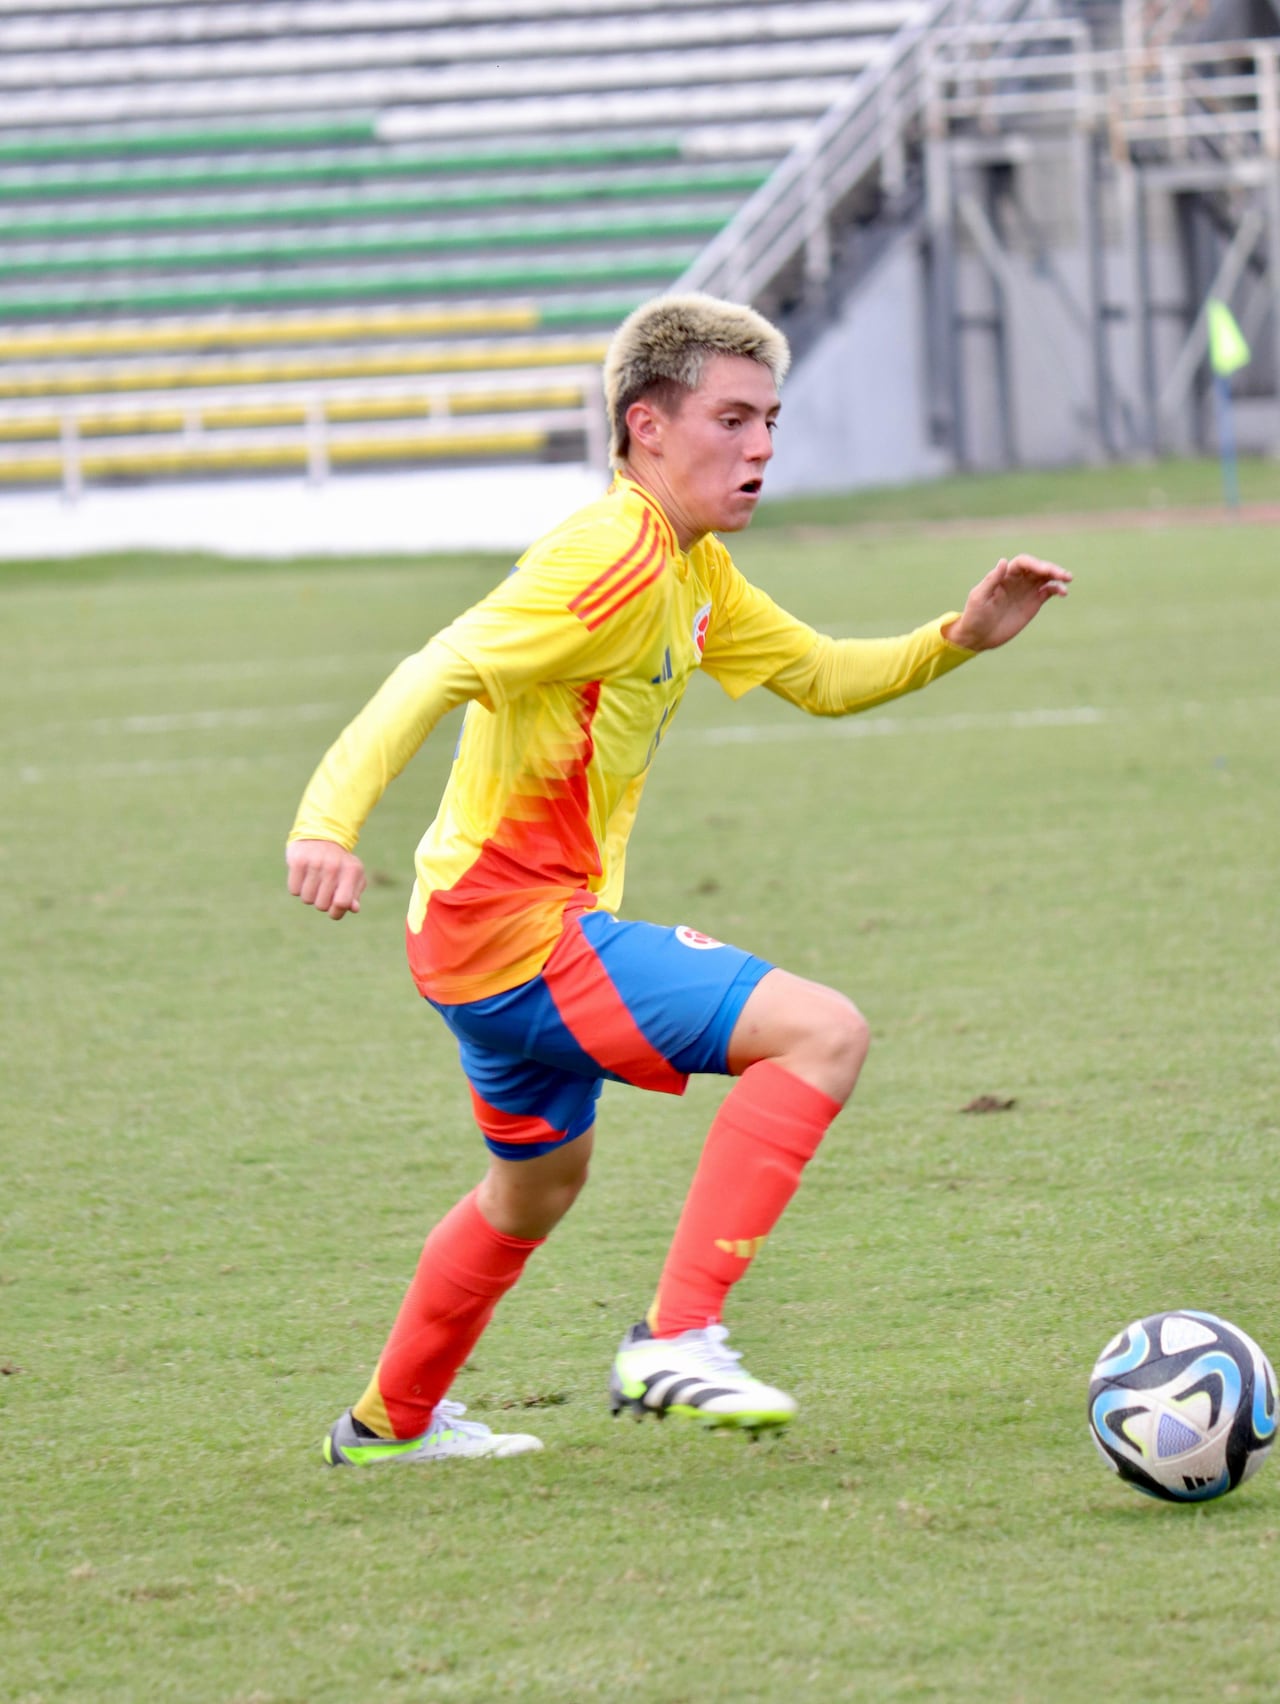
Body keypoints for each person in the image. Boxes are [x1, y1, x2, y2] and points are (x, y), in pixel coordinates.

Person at [286, 293, 1070, 1466]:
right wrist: (326, 822)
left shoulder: (689, 568)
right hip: (513, 930)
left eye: (770, 420)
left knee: (532, 1192)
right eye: (731, 419)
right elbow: (435, 666)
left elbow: (813, 672)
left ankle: (388, 1424)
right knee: (821, 1035)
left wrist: (951, 638)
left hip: (473, 939)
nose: (760, 448)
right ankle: (678, 1336)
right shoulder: (605, 556)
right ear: (645, 427)